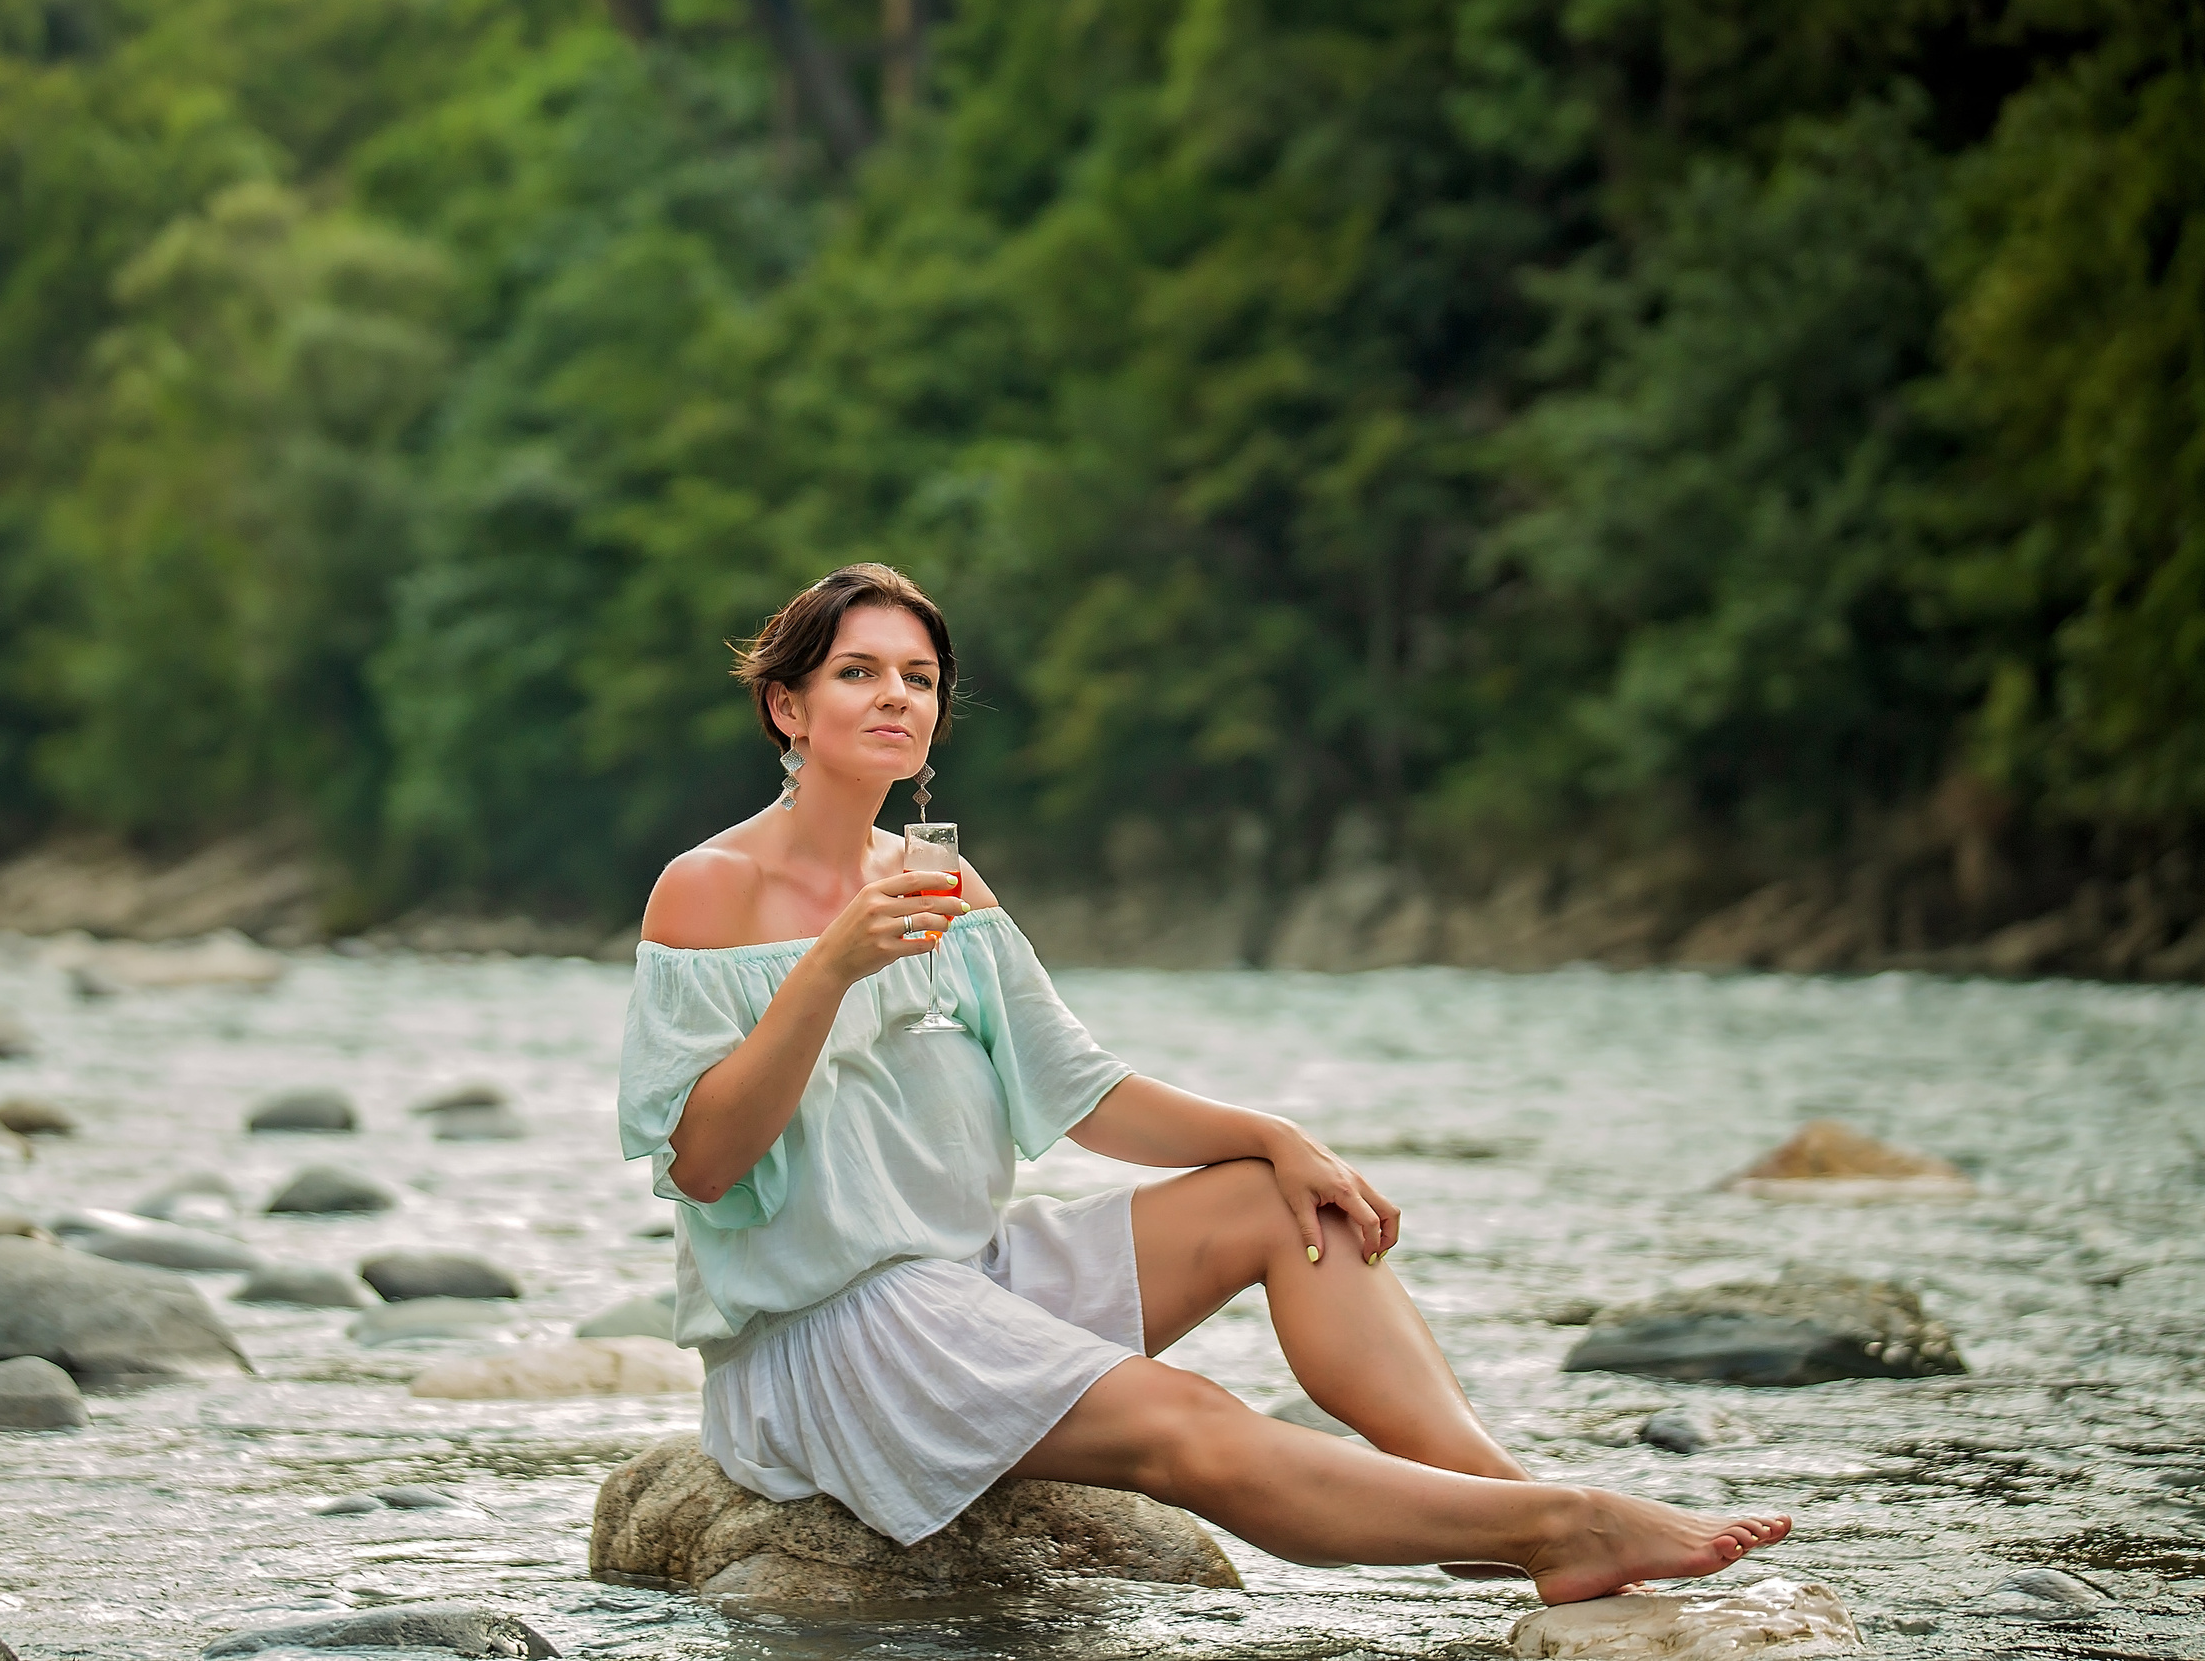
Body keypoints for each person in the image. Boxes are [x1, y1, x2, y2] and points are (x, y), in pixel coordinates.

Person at [620, 563, 1790, 1604]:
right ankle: (1562, 1528)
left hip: (967, 1278)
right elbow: (703, 1163)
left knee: (1278, 1201)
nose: (895, 698)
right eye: (858, 672)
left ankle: (1497, 1508)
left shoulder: (943, 883)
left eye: (918, 678)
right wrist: (830, 966)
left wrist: (1275, 1135)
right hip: (834, 1330)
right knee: (1191, 1425)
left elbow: (1082, 1091)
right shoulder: (707, 891)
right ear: (788, 706)